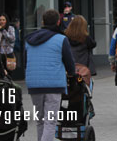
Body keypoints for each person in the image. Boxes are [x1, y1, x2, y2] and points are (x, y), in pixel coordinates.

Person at [25, 9, 76, 141]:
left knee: (40, 120)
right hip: (53, 84)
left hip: (34, 84)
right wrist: (71, 75)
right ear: (58, 22)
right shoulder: (61, 39)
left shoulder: (29, 39)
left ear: (42, 22)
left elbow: (26, 61)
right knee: (50, 121)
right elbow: (70, 63)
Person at [65, 15, 97, 81]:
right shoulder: (86, 38)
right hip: (84, 66)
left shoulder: (66, 36)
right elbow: (93, 44)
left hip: (70, 65)